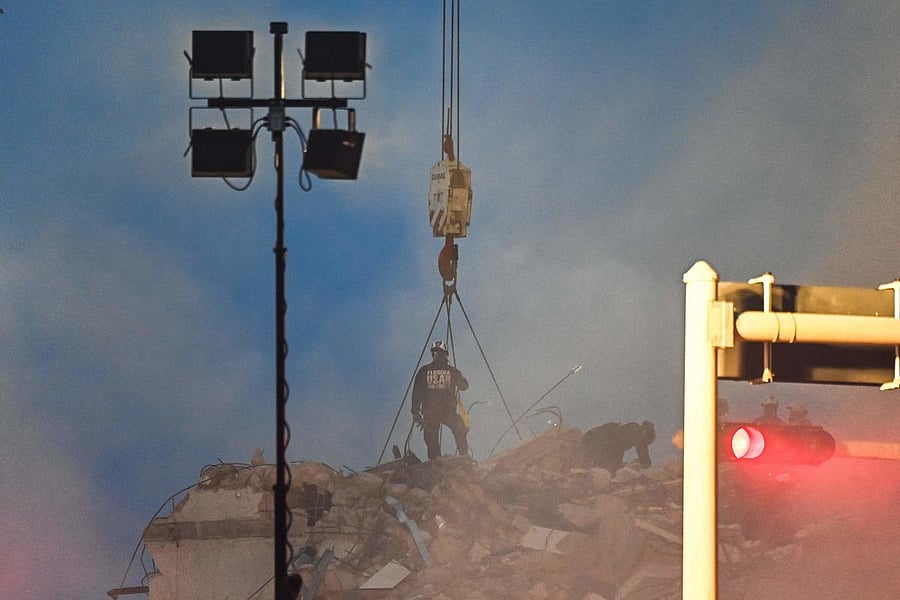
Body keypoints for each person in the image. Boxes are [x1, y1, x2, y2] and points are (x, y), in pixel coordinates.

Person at [411, 340, 470, 460]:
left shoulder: (423, 371)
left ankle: (435, 462)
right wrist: (458, 376)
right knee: (460, 428)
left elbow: (416, 393)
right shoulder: (452, 371)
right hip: (447, 412)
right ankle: (464, 457)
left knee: (431, 438)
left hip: (429, 413)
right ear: (446, 354)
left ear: (433, 354)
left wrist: (415, 413)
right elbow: (464, 386)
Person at [580, 421, 656, 474]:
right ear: (645, 433)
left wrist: (647, 466)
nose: (643, 444)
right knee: (599, 468)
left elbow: (643, 455)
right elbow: (618, 448)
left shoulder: (634, 430)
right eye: (646, 441)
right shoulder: (634, 430)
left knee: (595, 468)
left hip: (592, 438)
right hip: (593, 439)